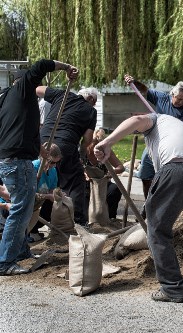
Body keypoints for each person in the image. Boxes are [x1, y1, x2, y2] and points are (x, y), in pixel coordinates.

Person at [94, 113, 183, 303]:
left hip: (178, 167)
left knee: (157, 228)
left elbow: (136, 120)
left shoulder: (158, 119)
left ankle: (172, 288)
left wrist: (107, 142)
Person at [0, 58, 77, 276]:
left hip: (13, 159)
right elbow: (42, 65)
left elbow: (24, 131)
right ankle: (4, 261)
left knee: (24, 206)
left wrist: (42, 152)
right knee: (20, 208)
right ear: (23, 83)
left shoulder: (9, 101)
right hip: (16, 161)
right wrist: (66, 68)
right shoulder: (21, 90)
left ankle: (21, 251)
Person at [125, 74, 183, 199]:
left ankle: (163, 202)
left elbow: (179, 131)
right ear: (173, 93)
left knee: (165, 177)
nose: (181, 102)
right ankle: (148, 203)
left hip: (170, 145)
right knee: (145, 174)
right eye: (179, 99)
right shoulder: (162, 97)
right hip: (154, 141)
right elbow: (145, 90)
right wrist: (134, 82)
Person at [38, 86, 99, 227]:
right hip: (64, 145)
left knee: (49, 182)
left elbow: (37, 89)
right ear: (90, 98)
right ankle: (77, 222)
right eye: (94, 101)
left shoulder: (62, 95)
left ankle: (41, 222)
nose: (94, 104)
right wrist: (82, 154)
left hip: (41, 143)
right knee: (76, 181)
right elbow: (88, 139)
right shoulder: (90, 111)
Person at [86, 129, 125, 219]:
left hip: (103, 183)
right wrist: (84, 174)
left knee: (114, 190)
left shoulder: (106, 151)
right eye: (94, 144)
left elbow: (120, 167)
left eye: (99, 145)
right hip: (87, 183)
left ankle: (110, 218)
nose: (96, 148)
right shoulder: (83, 151)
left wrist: (111, 173)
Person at [28, 144, 62, 242]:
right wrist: (48, 196)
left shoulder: (53, 171)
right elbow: (28, 194)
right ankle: (30, 231)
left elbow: (52, 188)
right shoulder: (33, 167)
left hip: (41, 202)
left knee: (54, 205)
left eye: (56, 163)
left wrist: (57, 194)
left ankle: (33, 230)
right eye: (51, 162)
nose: (53, 166)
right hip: (31, 202)